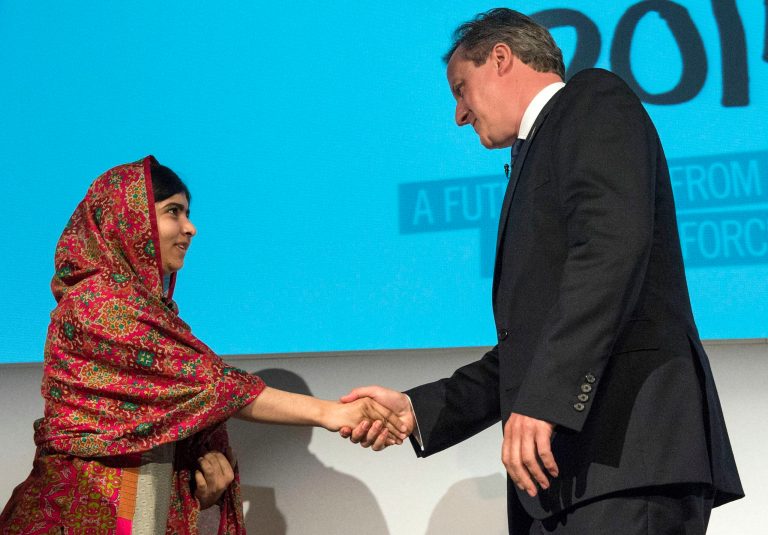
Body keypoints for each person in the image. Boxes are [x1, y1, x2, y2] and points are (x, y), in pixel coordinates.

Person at [340, 8, 744, 533]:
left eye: (461, 89)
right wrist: (418, 411)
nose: (459, 114)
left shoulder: (592, 100)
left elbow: (610, 250)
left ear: (502, 59)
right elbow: (527, 346)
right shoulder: (536, 152)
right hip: (569, 478)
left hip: (624, 458)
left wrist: (546, 401)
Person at [0, 156, 404, 534]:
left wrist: (204, 491)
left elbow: (181, 425)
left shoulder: (158, 319)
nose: (190, 227)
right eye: (173, 211)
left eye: (187, 213)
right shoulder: (94, 306)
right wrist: (332, 413)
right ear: (130, 220)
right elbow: (213, 386)